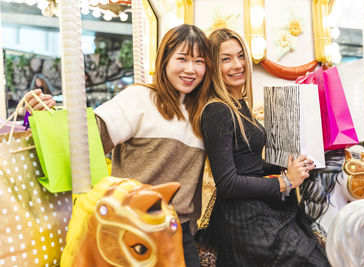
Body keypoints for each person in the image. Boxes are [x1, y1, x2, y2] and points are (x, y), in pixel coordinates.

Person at [25, 24, 212, 267]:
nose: (190, 69)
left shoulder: (203, 112)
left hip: (177, 229)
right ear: (164, 60)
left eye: (199, 61)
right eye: (182, 58)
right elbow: (87, 139)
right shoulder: (140, 99)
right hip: (129, 226)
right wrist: (43, 115)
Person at [199, 28, 330, 266]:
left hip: (256, 206)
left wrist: (291, 162)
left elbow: (248, 162)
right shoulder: (217, 110)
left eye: (240, 56)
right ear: (212, 67)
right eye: (225, 59)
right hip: (242, 218)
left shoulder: (239, 104)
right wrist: (284, 182)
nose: (237, 65)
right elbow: (228, 183)